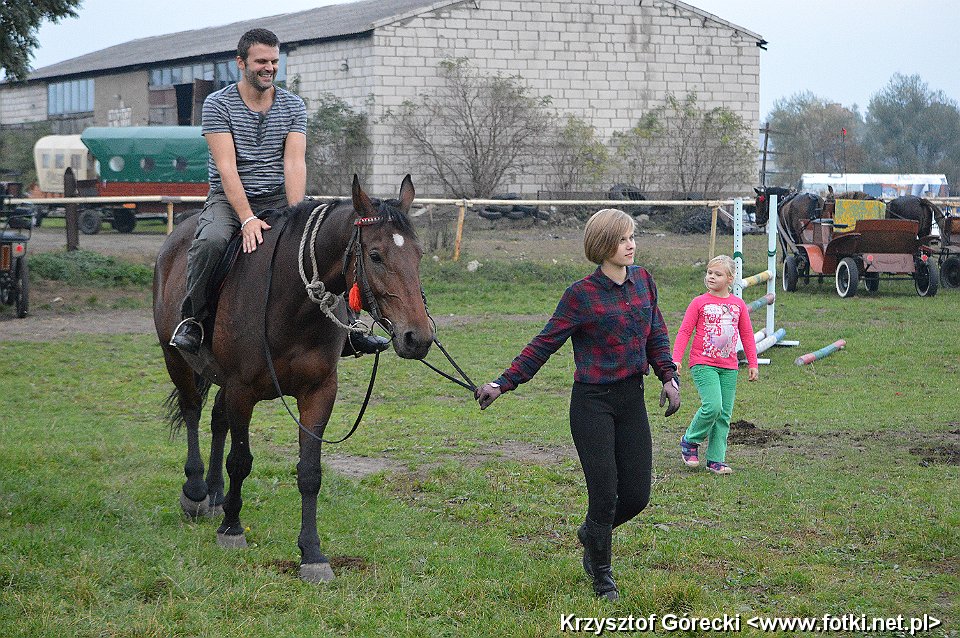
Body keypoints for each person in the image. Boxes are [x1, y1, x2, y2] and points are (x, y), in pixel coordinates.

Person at [474, 208, 680, 601]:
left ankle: (591, 533)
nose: (631, 245)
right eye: (622, 239)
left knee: (636, 496)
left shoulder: (644, 281)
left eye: (632, 237)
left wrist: (668, 376)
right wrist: (503, 383)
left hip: (631, 399)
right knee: (604, 494)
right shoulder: (580, 295)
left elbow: (656, 332)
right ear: (603, 245)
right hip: (592, 404)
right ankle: (602, 575)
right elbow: (544, 343)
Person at [170, 28, 386, 357]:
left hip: (279, 197)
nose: (269, 67)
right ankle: (193, 320)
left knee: (328, 239)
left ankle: (350, 327)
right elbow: (227, 168)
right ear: (241, 63)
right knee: (210, 242)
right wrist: (247, 219)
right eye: (261, 61)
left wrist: (297, 215)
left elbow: (294, 163)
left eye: (274, 61)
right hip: (230, 199)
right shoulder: (218, 105)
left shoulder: (292, 105)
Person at [672, 255, 759, 475]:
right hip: (703, 363)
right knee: (713, 406)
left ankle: (715, 460)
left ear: (730, 279)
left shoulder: (738, 305)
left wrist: (753, 362)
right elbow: (684, 331)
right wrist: (676, 358)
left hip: (729, 367)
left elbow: (747, 335)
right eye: (709, 272)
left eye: (717, 274)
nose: (711, 277)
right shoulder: (699, 303)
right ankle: (690, 440)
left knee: (724, 415)